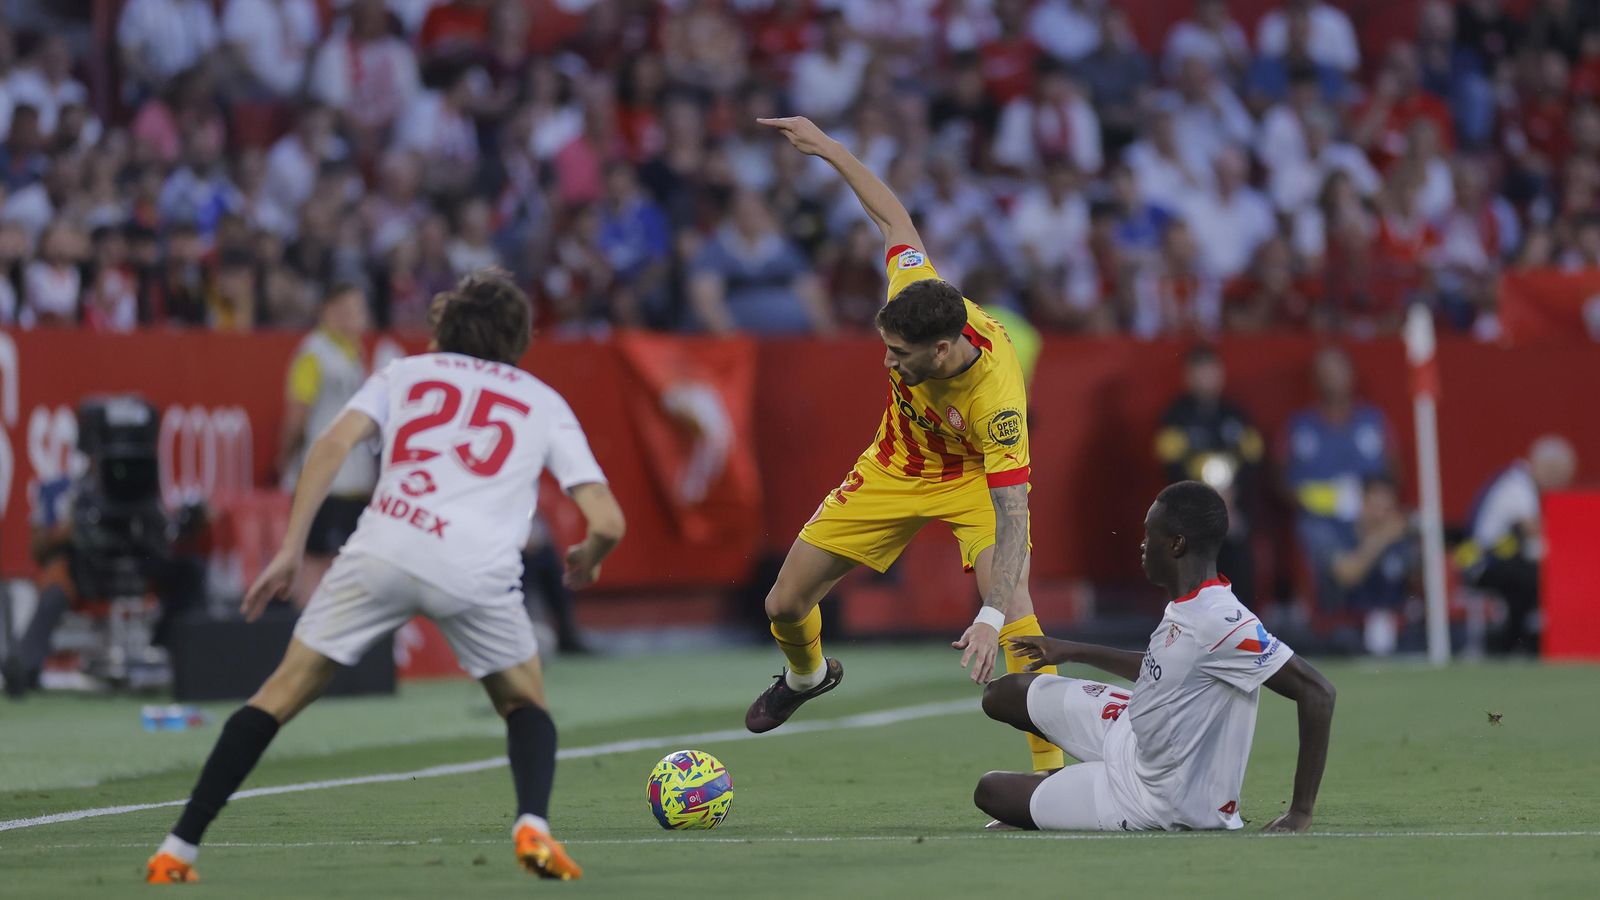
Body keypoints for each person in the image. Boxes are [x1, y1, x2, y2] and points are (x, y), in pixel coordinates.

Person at [144, 271, 625, 883]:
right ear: (520, 337)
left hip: (385, 546)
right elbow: (608, 520)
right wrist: (591, 554)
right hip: (474, 567)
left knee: (279, 695)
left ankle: (177, 850)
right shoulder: (543, 401)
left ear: (445, 327)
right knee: (524, 703)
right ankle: (533, 825)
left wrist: (290, 547)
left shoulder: (403, 373)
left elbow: (328, 446)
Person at [743, 115, 1066, 774]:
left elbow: (1013, 516)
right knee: (783, 604)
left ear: (942, 350)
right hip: (895, 466)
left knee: (1017, 615)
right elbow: (893, 218)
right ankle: (807, 676)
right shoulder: (915, 293)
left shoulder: (997, 400)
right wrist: (827, 147)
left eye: (900, 353)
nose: (888, 362)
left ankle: (1051, 777)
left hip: (974, 480)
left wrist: (989, 614)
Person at [973, 481, 1336, 832]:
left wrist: (1300, 811)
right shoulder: (1190, 602)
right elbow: (1162, 667)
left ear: (1177, 544)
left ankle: (1057, 794)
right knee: (1002, 694)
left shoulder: (1223, 621)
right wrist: (1073, 650)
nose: (1142, 544)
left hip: (1155, 796)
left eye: (1150, 534)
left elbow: (1318, 691)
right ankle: (1057, 791)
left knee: (991, 791)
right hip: (1131, 735)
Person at [276, 285, 378, 603]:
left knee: (343, 567)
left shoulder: (354, 354)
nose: (355, 318)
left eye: (359, 310)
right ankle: (306, 627)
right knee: (314, 564)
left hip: (354, 483)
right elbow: (298, 413)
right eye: (347, 310)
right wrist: (285, 459)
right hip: (324, 481)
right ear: (328, 312)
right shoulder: (313, 354)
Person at [1282, 346, 1395, 610]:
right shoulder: (1300, 425)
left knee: (1398, 534)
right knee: (1316, 537)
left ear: (1352, 375)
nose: (1332, 380)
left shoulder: (1373, 421)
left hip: (1370, 519)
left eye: (1337, 372)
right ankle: (1332, 619)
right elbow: (1281, 480)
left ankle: (1389, 616)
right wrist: (1315, 501)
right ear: (1315, 379)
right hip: (1320, 521)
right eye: (1325, 373)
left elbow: (1392, 475)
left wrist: (1374, 510)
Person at [1154, 345, 1264, 606]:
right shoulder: (1175, 417)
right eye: (1199, 372)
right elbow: (1172, 466)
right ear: (1188, 376)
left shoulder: (1236, 415)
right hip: (1191, 512)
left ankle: (1240, 617)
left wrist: (1229, 500)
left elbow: (1253, 459)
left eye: (1210, 371)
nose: (1205, 378)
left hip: (1232, 508)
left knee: (1237, 538)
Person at [1459, 435, 1578, 655]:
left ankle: (1516, 642)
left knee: (1536, 578)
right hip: (1481, 563)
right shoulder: (1517, 484)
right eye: (1559, 474)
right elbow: (1534, 528)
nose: (1561, 482)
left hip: (1503, 560)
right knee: (1543, 580)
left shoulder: (1523, 483)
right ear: (1545, 466)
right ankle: (1516, 643)